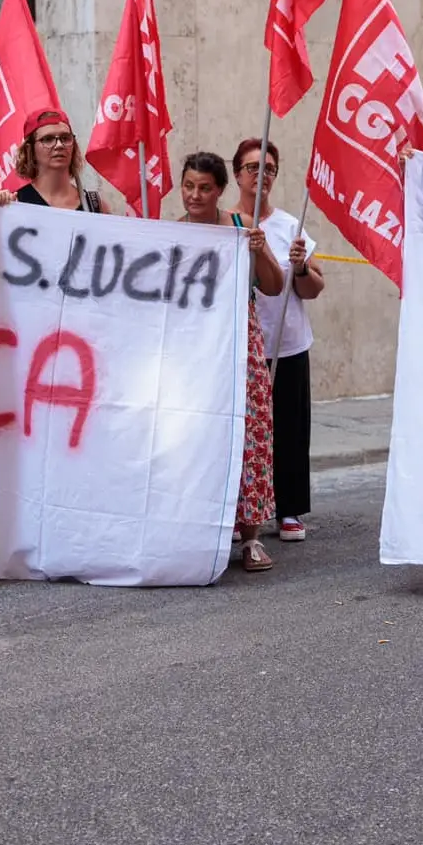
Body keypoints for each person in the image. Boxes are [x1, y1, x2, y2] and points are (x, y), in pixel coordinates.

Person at [180, 150, 284, 572]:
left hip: (240, 346)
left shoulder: (242, 229)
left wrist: (260, 251)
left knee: (250, 434)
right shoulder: (172, 234)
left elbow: (275, 286)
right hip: (192, 350)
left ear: (220, 190)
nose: (195, 195)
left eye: (205, 188)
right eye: (188, 186)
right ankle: (199, 528)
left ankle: (251, 538)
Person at [233, 138, 324, 544]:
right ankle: (239, 510)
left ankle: (288, 508)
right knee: (242, 431)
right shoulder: (224, 222)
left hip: (286, 344)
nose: (260, 175)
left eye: (268, 169)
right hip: (240, 346)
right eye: (252, 167)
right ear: (236, 174)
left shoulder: (290, 225)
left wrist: (301, 267)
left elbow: (312, 289)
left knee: (289, 427)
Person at [0, 109, 109, 212]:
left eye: (65, 138)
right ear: (29, 149)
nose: (59, 145)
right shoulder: (16, 203)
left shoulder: (95, 206)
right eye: (47, 139)